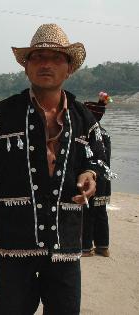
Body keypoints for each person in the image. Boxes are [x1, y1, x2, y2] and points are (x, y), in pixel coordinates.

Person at [0, 24, 112, 314]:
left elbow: (96, 158)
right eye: (37, 57)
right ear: (26, 67)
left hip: (66, 240)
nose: (46, 64)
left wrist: (89, 175)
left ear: (69, 68)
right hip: (14, 235)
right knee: (10, 308)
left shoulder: (85, 118)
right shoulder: (2, 114)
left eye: (56, 58)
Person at [82, 92, 115, 257]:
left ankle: (86, 248)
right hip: (105, 178)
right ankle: (103, 247)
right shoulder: (105, 133)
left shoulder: (88, 134)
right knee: (101, 213)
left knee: (87, 213)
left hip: (91, 177)